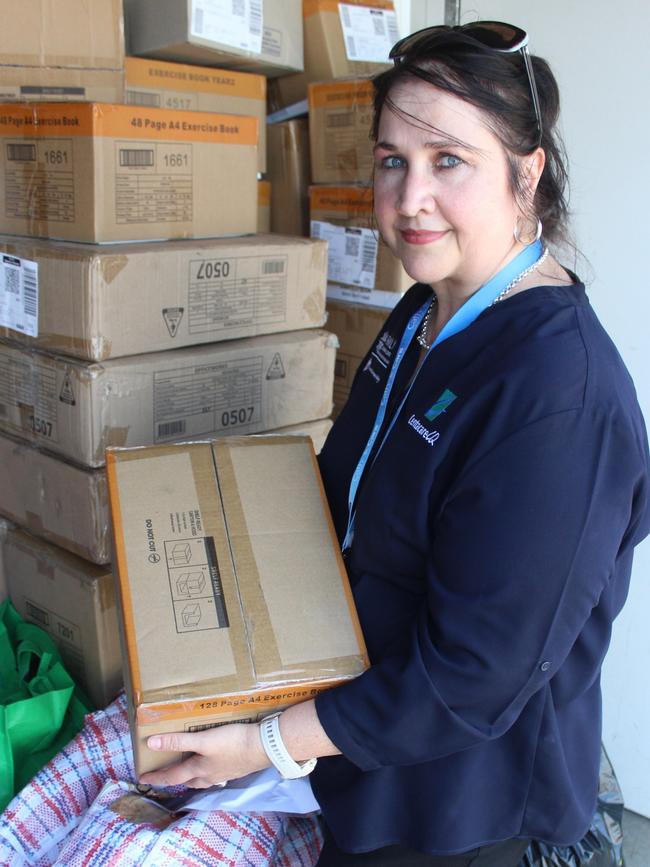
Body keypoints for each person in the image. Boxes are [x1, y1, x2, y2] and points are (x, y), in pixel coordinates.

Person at [139, 21, 650, 867]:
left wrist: (267, 741)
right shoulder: (427, 310)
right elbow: (348, 494)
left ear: (528, 174)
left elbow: (473, 676)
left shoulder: (559, 395)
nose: (409, 198)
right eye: (391, 160)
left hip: (460, 807)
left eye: (449, 160)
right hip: (359, 749)